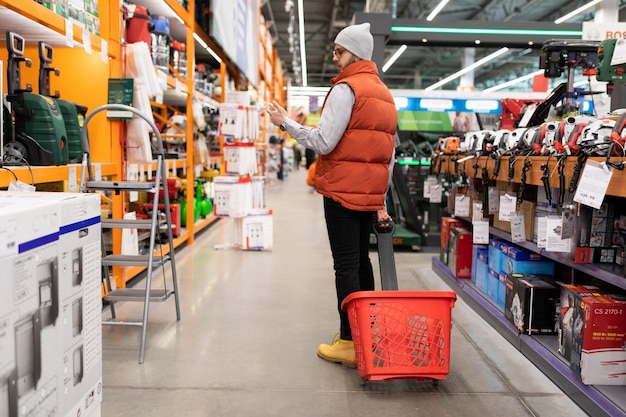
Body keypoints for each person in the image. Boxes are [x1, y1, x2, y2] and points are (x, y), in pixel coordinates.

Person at [266, 22, 397, 368]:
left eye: (339, 52)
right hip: (368, 194)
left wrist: (286, 123)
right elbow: (389, 155)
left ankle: (349, 340)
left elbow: (324, 141)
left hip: (341, 191)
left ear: (354, 53)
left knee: (345, 266)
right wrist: (380, 198)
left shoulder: (347, 89)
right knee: (360, 262)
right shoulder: (383, 93)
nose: (335, 58)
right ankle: (365, 334)